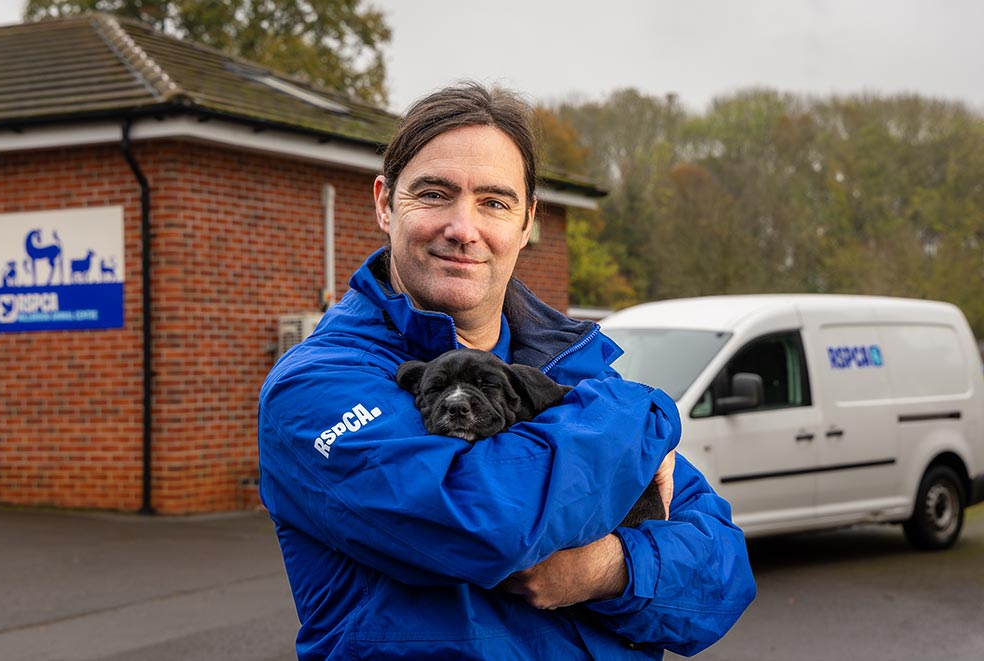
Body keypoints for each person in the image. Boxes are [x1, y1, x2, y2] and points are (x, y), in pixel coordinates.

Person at [258, 82, 756, 660]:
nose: (463, 228)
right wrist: (641, 416)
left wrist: (607, 569)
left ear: (526, 223)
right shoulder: (318, 385)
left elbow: (723, 576)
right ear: (385, 204)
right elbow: (484, 522)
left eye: (494, 202)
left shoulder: (576, 369)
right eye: (435, 194)